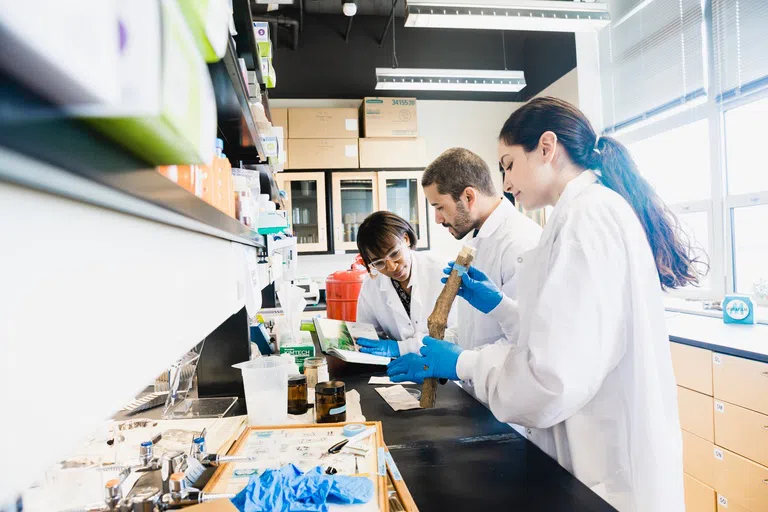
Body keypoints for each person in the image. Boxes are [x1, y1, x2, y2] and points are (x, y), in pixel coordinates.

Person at [388, 97, 700, 511]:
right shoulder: (581, 213)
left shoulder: (587, 219)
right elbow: (558, 334)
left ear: (547, 148)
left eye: (509, 164)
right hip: (595, 449)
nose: (505, 181)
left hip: (608, 467)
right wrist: (499, 305)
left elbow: (550, 378)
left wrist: (462, 363)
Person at [419, 148, 542, 352]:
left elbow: (524, 341)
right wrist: (430, 346)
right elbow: (475, 327)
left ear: (469, 197)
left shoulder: (520, 243)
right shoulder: (475, 238)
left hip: (505, 382)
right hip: (477, 380)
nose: (437, 219)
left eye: (439, 207)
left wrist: (460, 362)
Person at [353, 211, 457, 357]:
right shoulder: (372, 285)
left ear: (406, 239)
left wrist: (402, 348)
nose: (392, 267)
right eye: (379, 263)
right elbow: (367, 334)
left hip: (446, 368)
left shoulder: (442, 271)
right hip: (400, 369)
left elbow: (458, 333)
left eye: (395, 254)